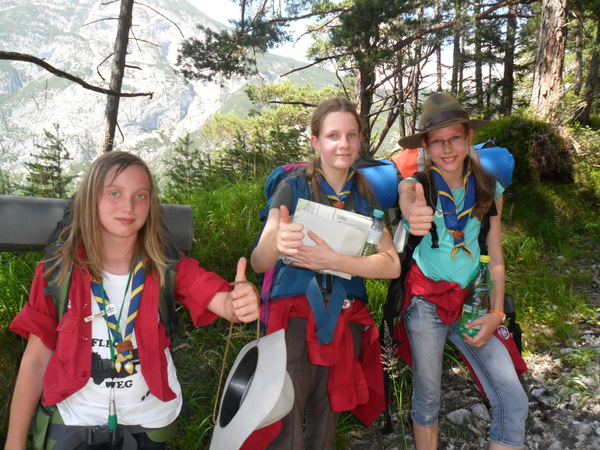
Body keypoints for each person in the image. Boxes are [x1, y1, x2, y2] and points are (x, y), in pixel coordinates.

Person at [5, 151, 259, 450]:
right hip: (74, 418)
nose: (128, 206)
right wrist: (14, 442)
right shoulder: (57, 272)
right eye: (114, 193)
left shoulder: (166, 266)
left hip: (150, 422)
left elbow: (214, 295)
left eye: (141, 195)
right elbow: (36, 360)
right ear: (90, 200)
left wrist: (235, 303)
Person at [250, 97, 401, 449]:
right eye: (333, 136)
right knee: (284, 418)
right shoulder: (292, 188)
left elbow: (391, 264)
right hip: (295, 318)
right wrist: (277, 243)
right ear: (316, 142)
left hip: (345, 319)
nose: (343, 144)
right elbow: (259, 261)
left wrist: (332, 260)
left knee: (327, 420)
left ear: (360, 140)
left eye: (351, 135)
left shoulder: (365, 196)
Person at [395, 93, 528, 449]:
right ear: (425, 147)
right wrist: (410, 211)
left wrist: (497, 314)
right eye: (437, 141)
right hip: (425, 302)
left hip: (472, 301)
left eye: (455, 137)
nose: (447, 148)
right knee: (428, 397)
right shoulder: (419, 186)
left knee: (514, 400)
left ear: (469, 136)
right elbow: (405, 192)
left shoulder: (488, 188)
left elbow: (495, 257)